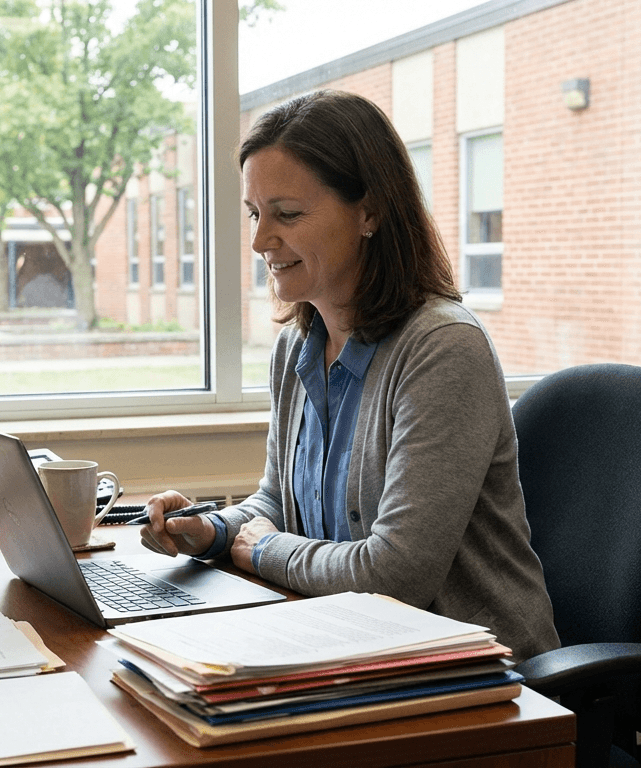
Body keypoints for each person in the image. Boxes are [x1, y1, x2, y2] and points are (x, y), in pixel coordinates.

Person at [141, 89, 559, 661]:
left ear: (369, 212)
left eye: (287, 214)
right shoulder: (296, 346)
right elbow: (277, 506)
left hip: (477, 679)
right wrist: (213, 531)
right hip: (352, 649)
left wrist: (261, 551)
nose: (262, 240)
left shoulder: (442, 349)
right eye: (255, 215)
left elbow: (396, 574)